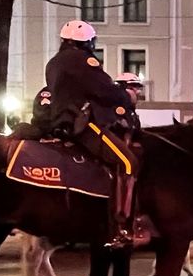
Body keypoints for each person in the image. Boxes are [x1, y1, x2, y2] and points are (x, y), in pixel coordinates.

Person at [45, 20, 141, 251]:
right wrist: (125, 97)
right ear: (87, 42)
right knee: (128, 162)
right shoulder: (83, 61)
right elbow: (103, 89)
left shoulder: (54, 62)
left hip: (60, 121)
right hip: (82, 124)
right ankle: (123, 225)